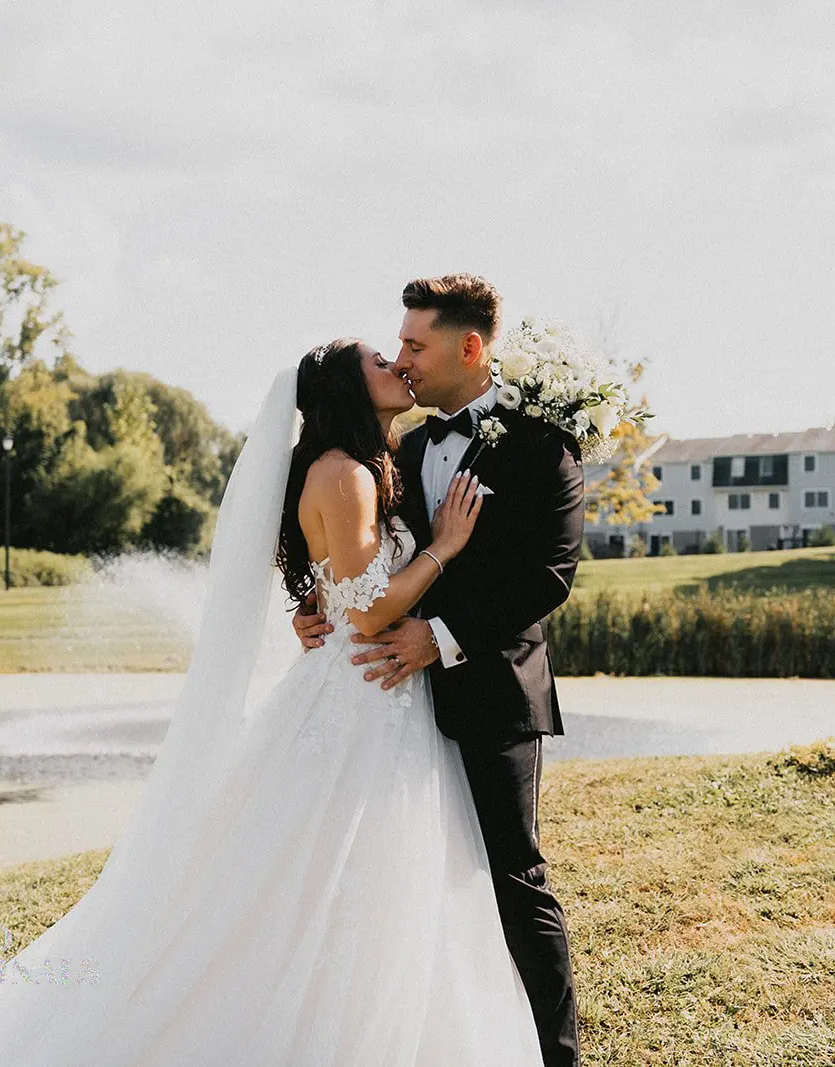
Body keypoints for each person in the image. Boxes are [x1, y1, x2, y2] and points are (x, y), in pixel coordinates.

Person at [0, 337, 543, 1064]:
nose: (397, 364)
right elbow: (372, 609)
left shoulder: (368, 464)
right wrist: (444, 545)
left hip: (379, 693)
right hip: (363, 698)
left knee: (361, 879)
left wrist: (324, 603)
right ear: (350, 390)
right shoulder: (344, 473)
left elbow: (343, 586)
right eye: (379, 361)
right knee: (336, 875)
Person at [295, 275, 585, 1067]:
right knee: (396, 881)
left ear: (470, 346)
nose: (403, 358)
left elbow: (547, 576)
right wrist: (312, 605)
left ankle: (555, 1057)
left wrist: (442, 637)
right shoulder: (403, 448)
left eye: (415, 344)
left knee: (512, 878)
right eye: (398, 345)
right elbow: (345, 549)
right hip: (391, 705)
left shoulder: (542, 446)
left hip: (492, 692)